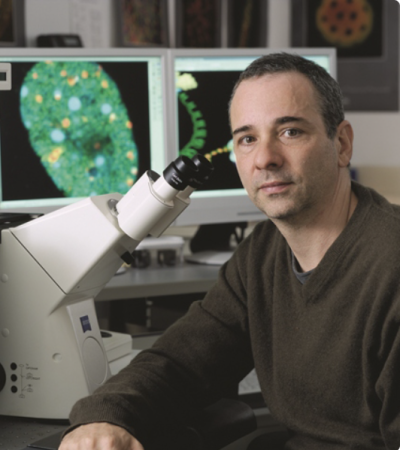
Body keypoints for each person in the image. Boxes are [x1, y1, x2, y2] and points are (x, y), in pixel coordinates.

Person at [59, 52, 400, 450]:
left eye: (290, 131)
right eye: (247, 139)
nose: (265, 159)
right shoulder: (262, 254)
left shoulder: (389, 268)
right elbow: (182, 362)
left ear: (341, 144)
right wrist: (105, 416)